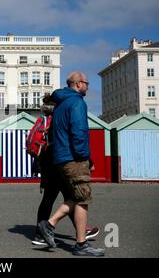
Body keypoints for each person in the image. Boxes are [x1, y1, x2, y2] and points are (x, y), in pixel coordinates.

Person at [38, 71, 105, 256]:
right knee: (82, 198)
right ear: (77, 84)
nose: (88, 86)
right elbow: (79, 132)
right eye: (86, 83)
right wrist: (86, 158)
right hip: (74, 158)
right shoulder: (77, 102)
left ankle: (54, 227)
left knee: (76, 197)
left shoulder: (60, 104)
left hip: (60, 158)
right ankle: (67, 236)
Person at [32, 94, 99, 246]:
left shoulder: (42, 120)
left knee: (51, 199)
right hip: (60, 164)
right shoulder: (60, 116)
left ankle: (40, 234)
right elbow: (73, 139)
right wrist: (89, 160)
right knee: (75, 197)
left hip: (47, 165)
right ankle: (59, 229)